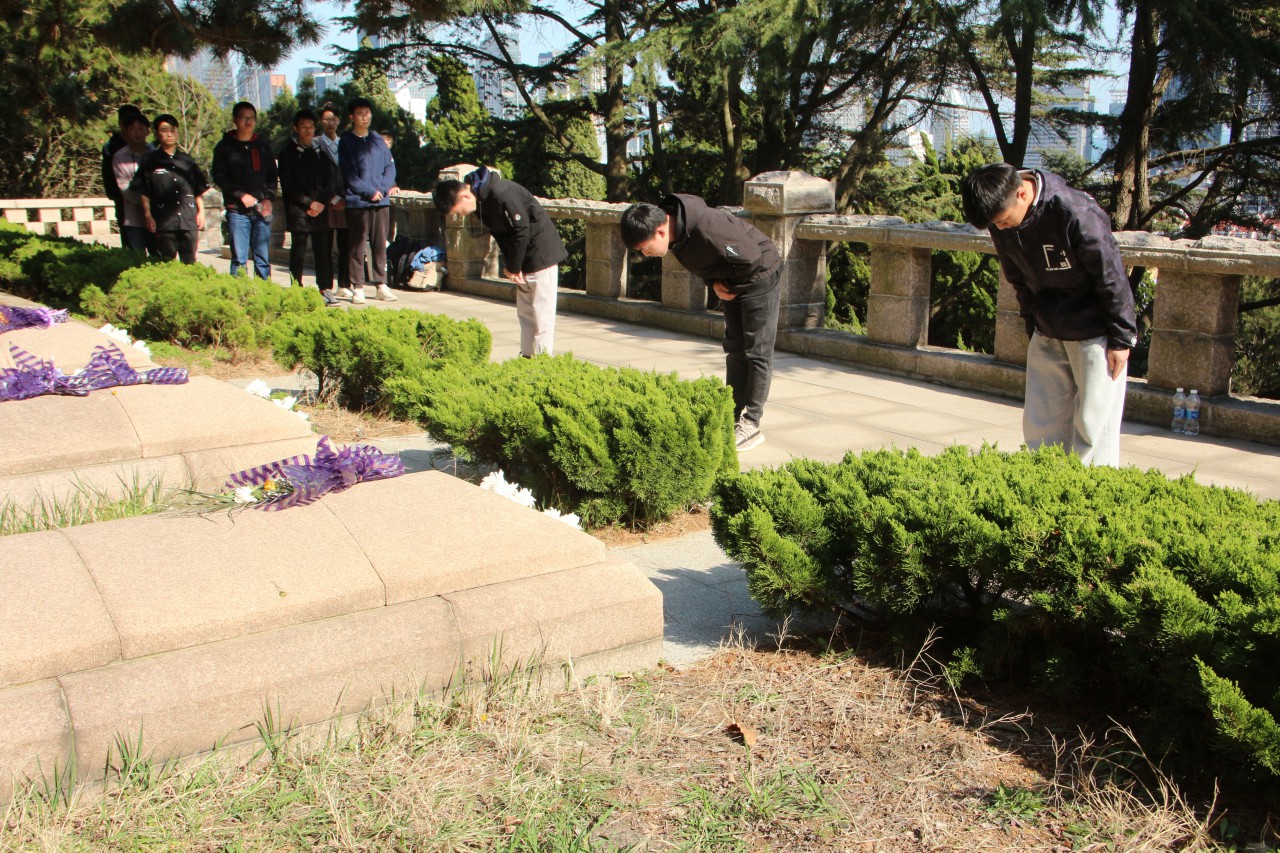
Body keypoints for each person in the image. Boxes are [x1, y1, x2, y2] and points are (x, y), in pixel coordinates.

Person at [959, 163, 1138, 467]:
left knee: (1094, 430)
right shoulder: (1001, 219)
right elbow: (1017, 278)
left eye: (1003, 220)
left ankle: (1092, 492)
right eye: (994, 224)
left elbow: (1110, 274)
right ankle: (1043, 487)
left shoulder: (1075, 212)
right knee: (1041, 427)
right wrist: (1032, 324)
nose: (1000, 228)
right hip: (1047, 328)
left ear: (1021, 193)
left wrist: (1122, 337)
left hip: (1095, 332)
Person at [620, 196, 780, 452]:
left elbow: (750, 257)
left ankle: (751, 423)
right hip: (734, 280)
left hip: (760, 276)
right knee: (735, 349)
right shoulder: (678, 234)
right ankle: (730, 413)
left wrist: (729, 284)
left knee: (756, 352)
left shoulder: (707, 227)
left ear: (660, 231)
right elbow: (709, 262)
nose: (644, 254)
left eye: (644, 248)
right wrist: (714, 283)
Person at [433, 166, 568, 357]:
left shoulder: (501, 192)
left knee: (542, 316)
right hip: (522, 258)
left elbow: (521, 230)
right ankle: (526, 357)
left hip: (542, 254)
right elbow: (500, 233)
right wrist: (514, 266)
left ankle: (543, 362)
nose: (461, 215)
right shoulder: (480, 201)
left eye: (458, 211)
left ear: (464, 196)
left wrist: (514, 267)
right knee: (525, 314)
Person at [338, 97, 397, 304]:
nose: (365, 117)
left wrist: (382, 189)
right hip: (358, 202)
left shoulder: (378, 140)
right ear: (352, 117)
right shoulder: (346, 142)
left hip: (381, 201)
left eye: (368, 113)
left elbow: (390, 167)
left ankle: (381, 284)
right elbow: (348, 174)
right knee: (357, 245)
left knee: (380, 244)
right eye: (360, 114)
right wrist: (369, 191)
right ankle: (358, 286)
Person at [277, 109, 340, 303]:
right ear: (296, 128)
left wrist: (320, 202)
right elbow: (288, 186)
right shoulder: (287, 154)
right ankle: (296, 288)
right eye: (304, 127)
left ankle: (325, 289)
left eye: (311, 127)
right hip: (299, 211)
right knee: (298, 252)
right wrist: (309, 203)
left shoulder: (320, 152)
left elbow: (331, 182)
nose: (308, 131)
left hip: (320, 210)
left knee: (323, 252)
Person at [212, 101, 277, 279]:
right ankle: (240, 291)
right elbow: (219, 177)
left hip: (261, 210)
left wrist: (269, 199)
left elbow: (272, 175)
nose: (248, 122)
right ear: (235, 119)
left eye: (252, 118)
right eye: (243, 118)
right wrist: (240, 195)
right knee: (239, 259)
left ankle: (264, 290)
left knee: (262, 259)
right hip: (237, 211)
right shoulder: (224, 146)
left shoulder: (262, 146)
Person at [130, 114, 208, 264]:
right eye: (164, 130)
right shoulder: (150, 160)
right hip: (164, 221)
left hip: (188, 218)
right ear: (157, 133)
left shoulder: (187, 160)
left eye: (173, 130)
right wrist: (148, 215)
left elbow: (198, 189)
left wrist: (201, 213)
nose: (169, 134)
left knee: (190, 262)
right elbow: (144, 192)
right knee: (166, 261)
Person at [317, 102, 352, 300]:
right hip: (326, 201)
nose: (331, 123)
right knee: (325, 245)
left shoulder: (345, 143)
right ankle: (326, 285)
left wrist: (347, 196)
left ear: (339, 120)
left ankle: (344, 283)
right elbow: (316, 176)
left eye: (334, 119)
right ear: (321, 121)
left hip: (346, 200)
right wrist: (331, 197)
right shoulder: (315, 144)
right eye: (326, 119)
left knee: (346, 244)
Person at [111, 110, 156, 255]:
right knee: (137, 258)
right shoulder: (119, 157)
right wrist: (145, 202)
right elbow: (124, 187)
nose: (137, 132)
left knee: (160, 258)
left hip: (158, 216)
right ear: (125, 132)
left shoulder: (156, 154)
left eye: (141, 128)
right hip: (134, 218)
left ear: (148, 131)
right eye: (132, 129)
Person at [102, 104, 142, 247]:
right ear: (120, 124)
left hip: (148, 201)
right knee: (131, 244)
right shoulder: (112, 148)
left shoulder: (149, 149)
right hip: (123, 201)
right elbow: (108, 175)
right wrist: (116, 195)